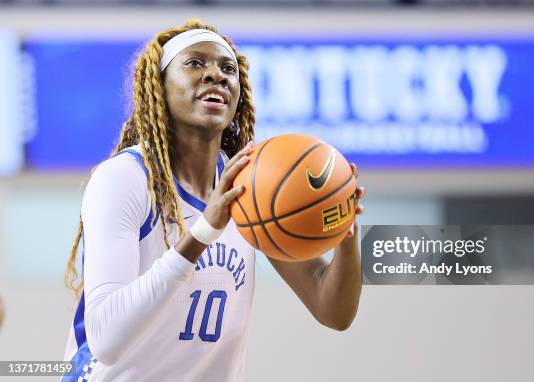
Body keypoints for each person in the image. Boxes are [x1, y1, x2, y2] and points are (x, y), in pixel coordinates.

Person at [61, 19, 364, 382]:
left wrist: (344, 236)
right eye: (194, 63)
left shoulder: (252, 183)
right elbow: (106, 338)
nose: (215, 75)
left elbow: (333, 311)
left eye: (228, 69)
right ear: (159, 85)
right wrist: (205, 230)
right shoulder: (125, 179)